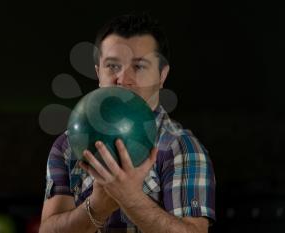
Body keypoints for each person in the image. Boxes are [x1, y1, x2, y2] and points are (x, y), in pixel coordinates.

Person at [39, 13, 216, 233]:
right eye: (112, 66)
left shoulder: (182, 148)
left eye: (139, 66)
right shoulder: (66, 146)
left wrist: (130, 199)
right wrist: (97, 207)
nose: (122, 79)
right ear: (98, 73)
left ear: (162, 76)